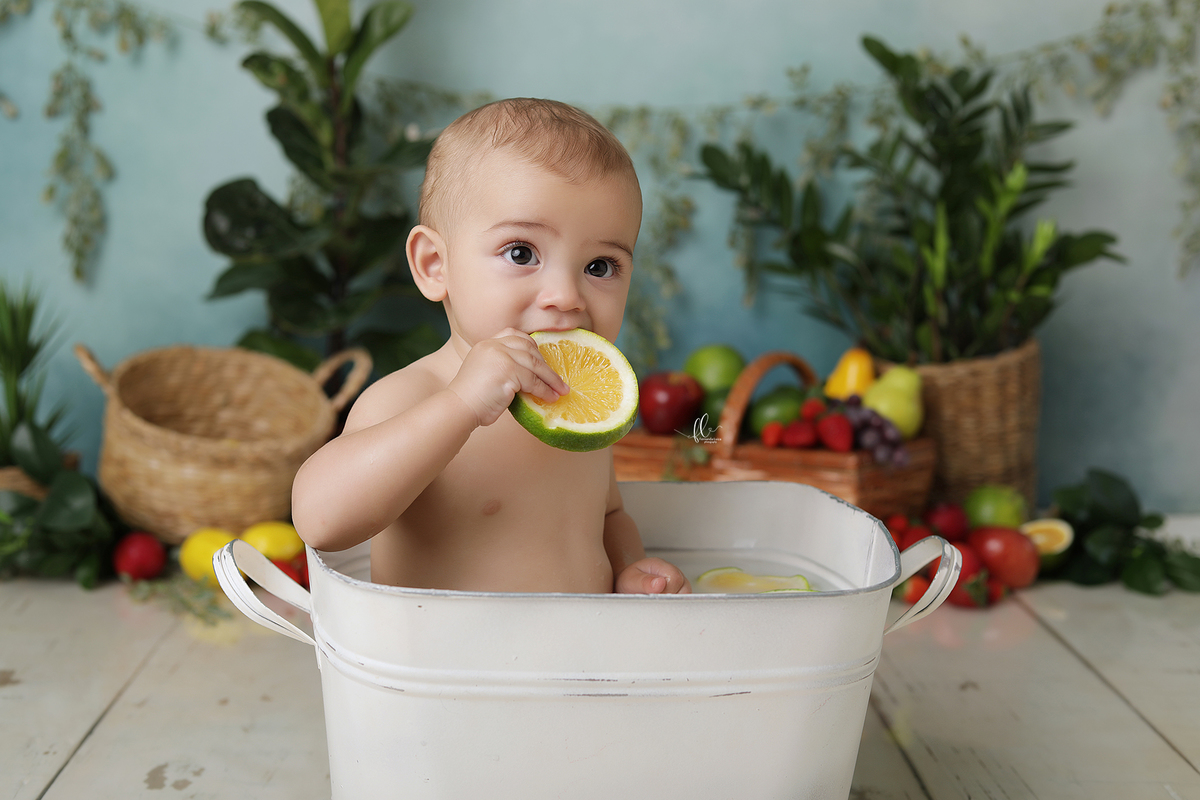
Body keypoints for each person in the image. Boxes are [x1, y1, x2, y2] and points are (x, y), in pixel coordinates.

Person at [291, 98, 690, 595]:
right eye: (521, 253)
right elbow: (321, 521)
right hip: (453, 667)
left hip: (581, 660)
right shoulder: (414, 397)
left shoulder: (581, 406)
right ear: (435, 265)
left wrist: (632, 567)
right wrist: (460, 405)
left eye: (600, 266)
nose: (567, 296)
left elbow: (607, 515)